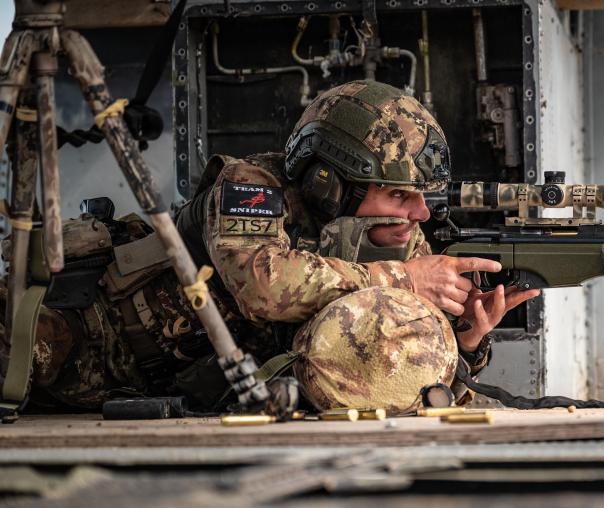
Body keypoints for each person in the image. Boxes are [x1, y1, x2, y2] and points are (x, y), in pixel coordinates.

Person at [0, 80, 539, 413]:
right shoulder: (252, 186)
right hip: (80, 334)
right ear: (331, 182)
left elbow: (401, 354)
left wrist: (467, 338)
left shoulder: (398, 237)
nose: (418, 215)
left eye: (422, 199)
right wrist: (403, 281)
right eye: (399, 196)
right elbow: (265, 285)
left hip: (171, 393)